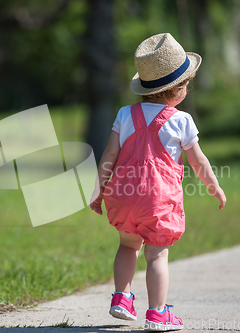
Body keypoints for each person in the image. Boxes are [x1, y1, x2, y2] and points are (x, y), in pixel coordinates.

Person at [90, 33, 226, 331]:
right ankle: (158, 313)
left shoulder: (125, 114)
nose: (187, 90)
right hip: (158, 201)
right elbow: (198, 162)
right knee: (156, 254)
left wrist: (99, 189)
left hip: (123, 197)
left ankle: (121, 298)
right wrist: (214, 186)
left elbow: (109, 154)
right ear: (177, 90)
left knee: (127, 246)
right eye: (187, 85)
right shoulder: (181, 120)